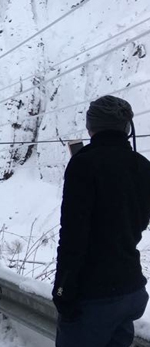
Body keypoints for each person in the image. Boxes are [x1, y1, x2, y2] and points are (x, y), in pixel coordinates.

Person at [53, 95, 150, 347]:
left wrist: (62, 290)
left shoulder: (83, 164)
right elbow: (137, 223)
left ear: (90, 127)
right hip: (131, 291)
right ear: (127, 128)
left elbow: (73, 235)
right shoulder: (143, 166)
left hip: (93, 296)